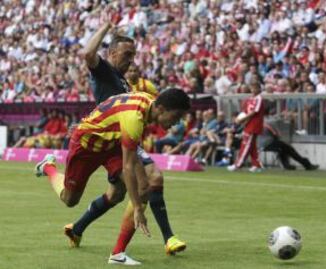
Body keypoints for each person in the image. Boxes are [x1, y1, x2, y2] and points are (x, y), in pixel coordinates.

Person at [62, 20, 186, 265]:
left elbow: (114, 105)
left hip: (114, 142)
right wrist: (107, 27)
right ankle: (166, 237)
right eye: (127, 54)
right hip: (109, 140)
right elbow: (88, 53)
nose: (132, 59)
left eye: (134, 55)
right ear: (112, 53)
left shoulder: (125, 83)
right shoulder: (105, 71)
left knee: (119, 193)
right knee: (150, 180)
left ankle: (80, 230)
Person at [34, 89, 191, 263]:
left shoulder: (147, 105)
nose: (176, 123)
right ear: (161, 109)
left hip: (111, 145)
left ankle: (118, 254)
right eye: (176, 116)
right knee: (70, 199)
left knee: (143, 188)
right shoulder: (134, 118)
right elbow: (129, 165)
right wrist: (138, 208)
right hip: (87, 146)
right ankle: (48, 167)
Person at [227, 82, 265, 172]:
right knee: (251, 146)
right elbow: (244, 111)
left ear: (259, 89)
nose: (253, 90)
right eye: (252, 88)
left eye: (255, 88)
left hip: (254, 125)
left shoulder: (259, 99)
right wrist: (238, 119)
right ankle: (257, 165)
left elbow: (254, 112)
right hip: (248, 124)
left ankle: (238, 164)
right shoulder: (249, 99)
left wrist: (243, 119)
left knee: (246, 145)